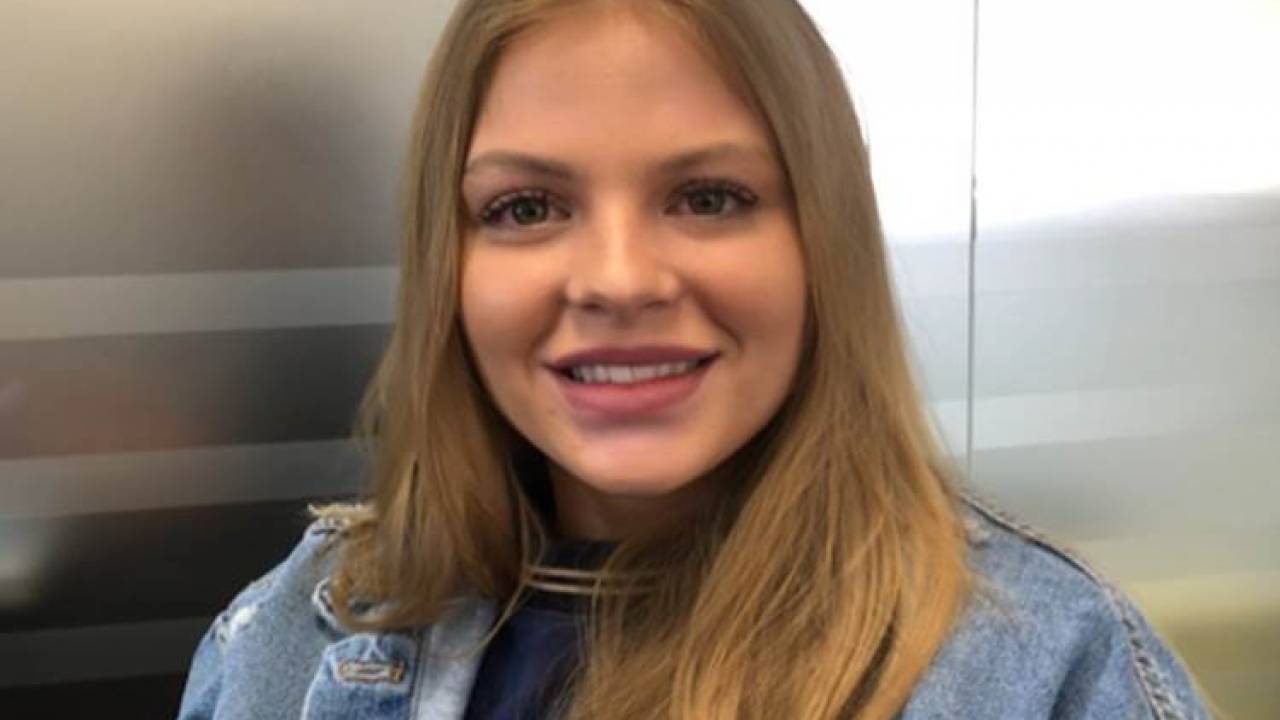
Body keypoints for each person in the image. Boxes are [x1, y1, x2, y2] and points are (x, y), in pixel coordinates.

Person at [177, 0, 1213, 718]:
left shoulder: (1046, 669)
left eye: (709, 197)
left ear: (823, 242)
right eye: (526, 208)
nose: (617, 280)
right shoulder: (291, 631)